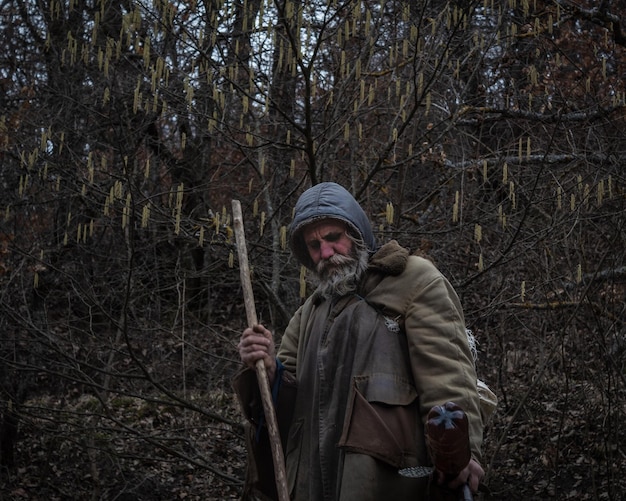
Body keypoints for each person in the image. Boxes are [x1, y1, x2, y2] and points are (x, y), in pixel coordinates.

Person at [235, 182, 486, 501]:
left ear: (357, 232)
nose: (325, 252)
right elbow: (285, 407)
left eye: (333, 238)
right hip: (312, 483)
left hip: (387, 479)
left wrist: (464, 454)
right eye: (314, 245)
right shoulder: (310, 311)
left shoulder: (413, 281)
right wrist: (268, 369)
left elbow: (447, 376)